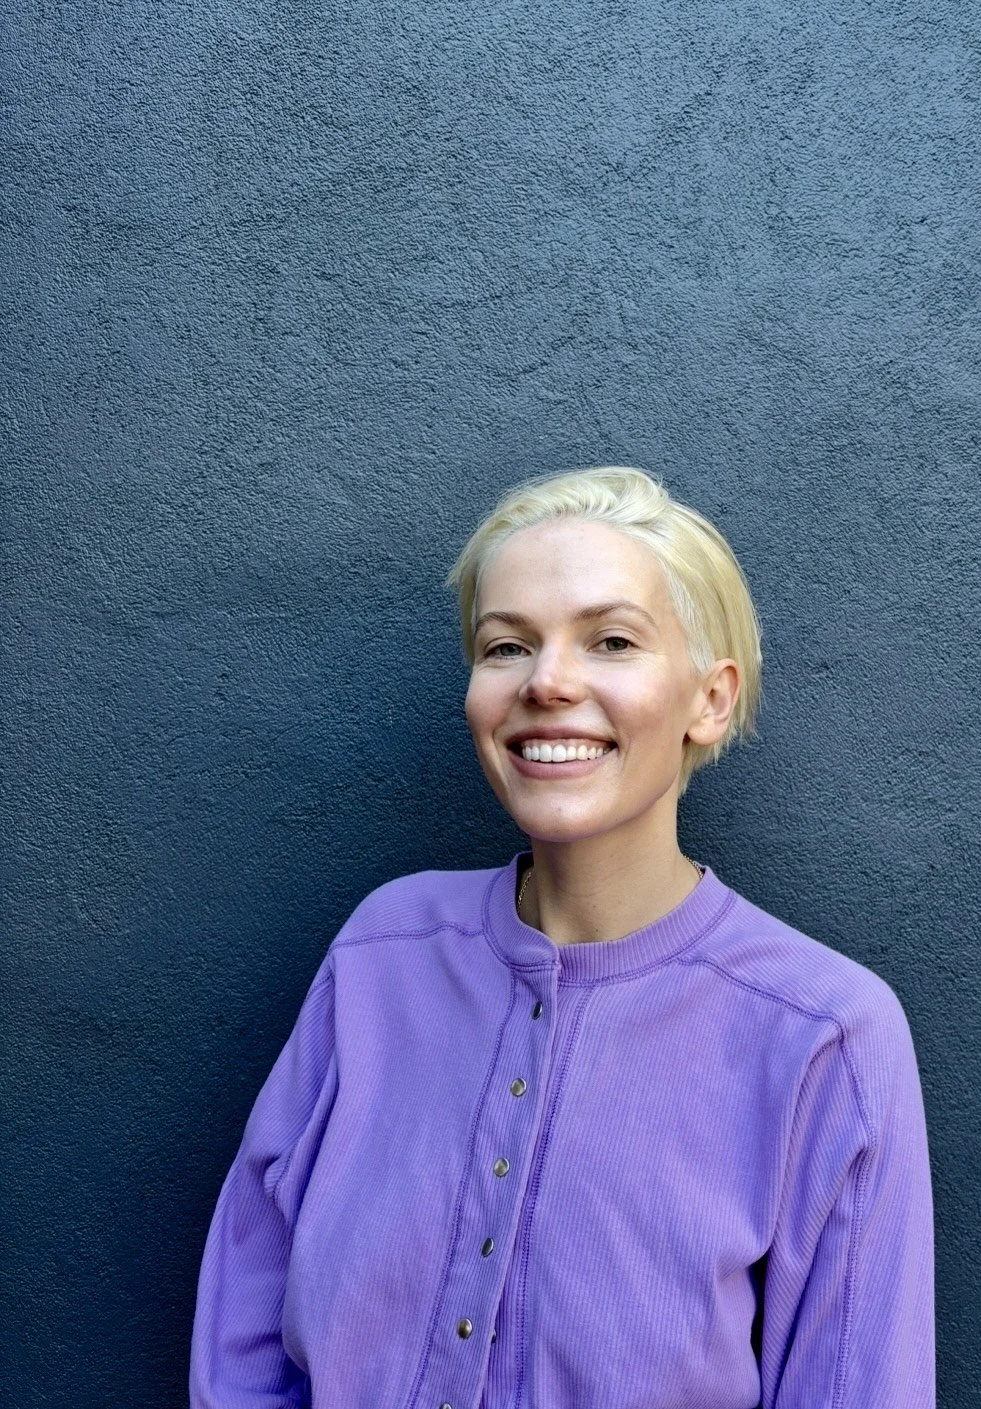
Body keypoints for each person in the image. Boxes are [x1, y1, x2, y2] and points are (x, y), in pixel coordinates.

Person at [189, 466, 935, 1408]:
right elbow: (240, 1345)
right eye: (506, 647)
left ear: (710, 698)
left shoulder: (825, 1034)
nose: (547, 681)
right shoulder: (380, 955)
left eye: (611, 640)